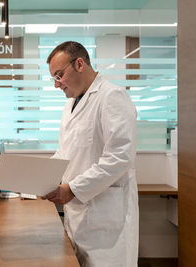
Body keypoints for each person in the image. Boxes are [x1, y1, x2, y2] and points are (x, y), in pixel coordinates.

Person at [41, 41, 139, 267]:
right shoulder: (71, 104)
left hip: (105, 218)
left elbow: (120, 157)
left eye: (59, 75)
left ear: (79, 64)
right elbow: (66, 152)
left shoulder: (112, 97)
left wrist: (73, 189)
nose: (57, 85)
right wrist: (43, 178)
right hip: (78, 212)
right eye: (53, 78)